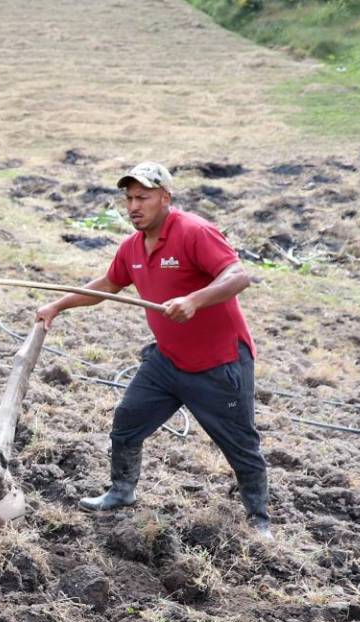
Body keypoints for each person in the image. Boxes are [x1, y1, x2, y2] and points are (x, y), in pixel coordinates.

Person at [35, 162, 271, 537]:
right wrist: (57, 306)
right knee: (127, 422)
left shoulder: (194, 232)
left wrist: (194, 299)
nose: (133, 206)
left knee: (240, 444)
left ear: (165, 197)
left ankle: (259, 519)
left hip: (219, 364)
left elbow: (238, 275)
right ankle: (121, 491)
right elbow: (107, 284)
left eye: (142, 197)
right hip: (167, 362)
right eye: (128, 198)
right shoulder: (132, 247)